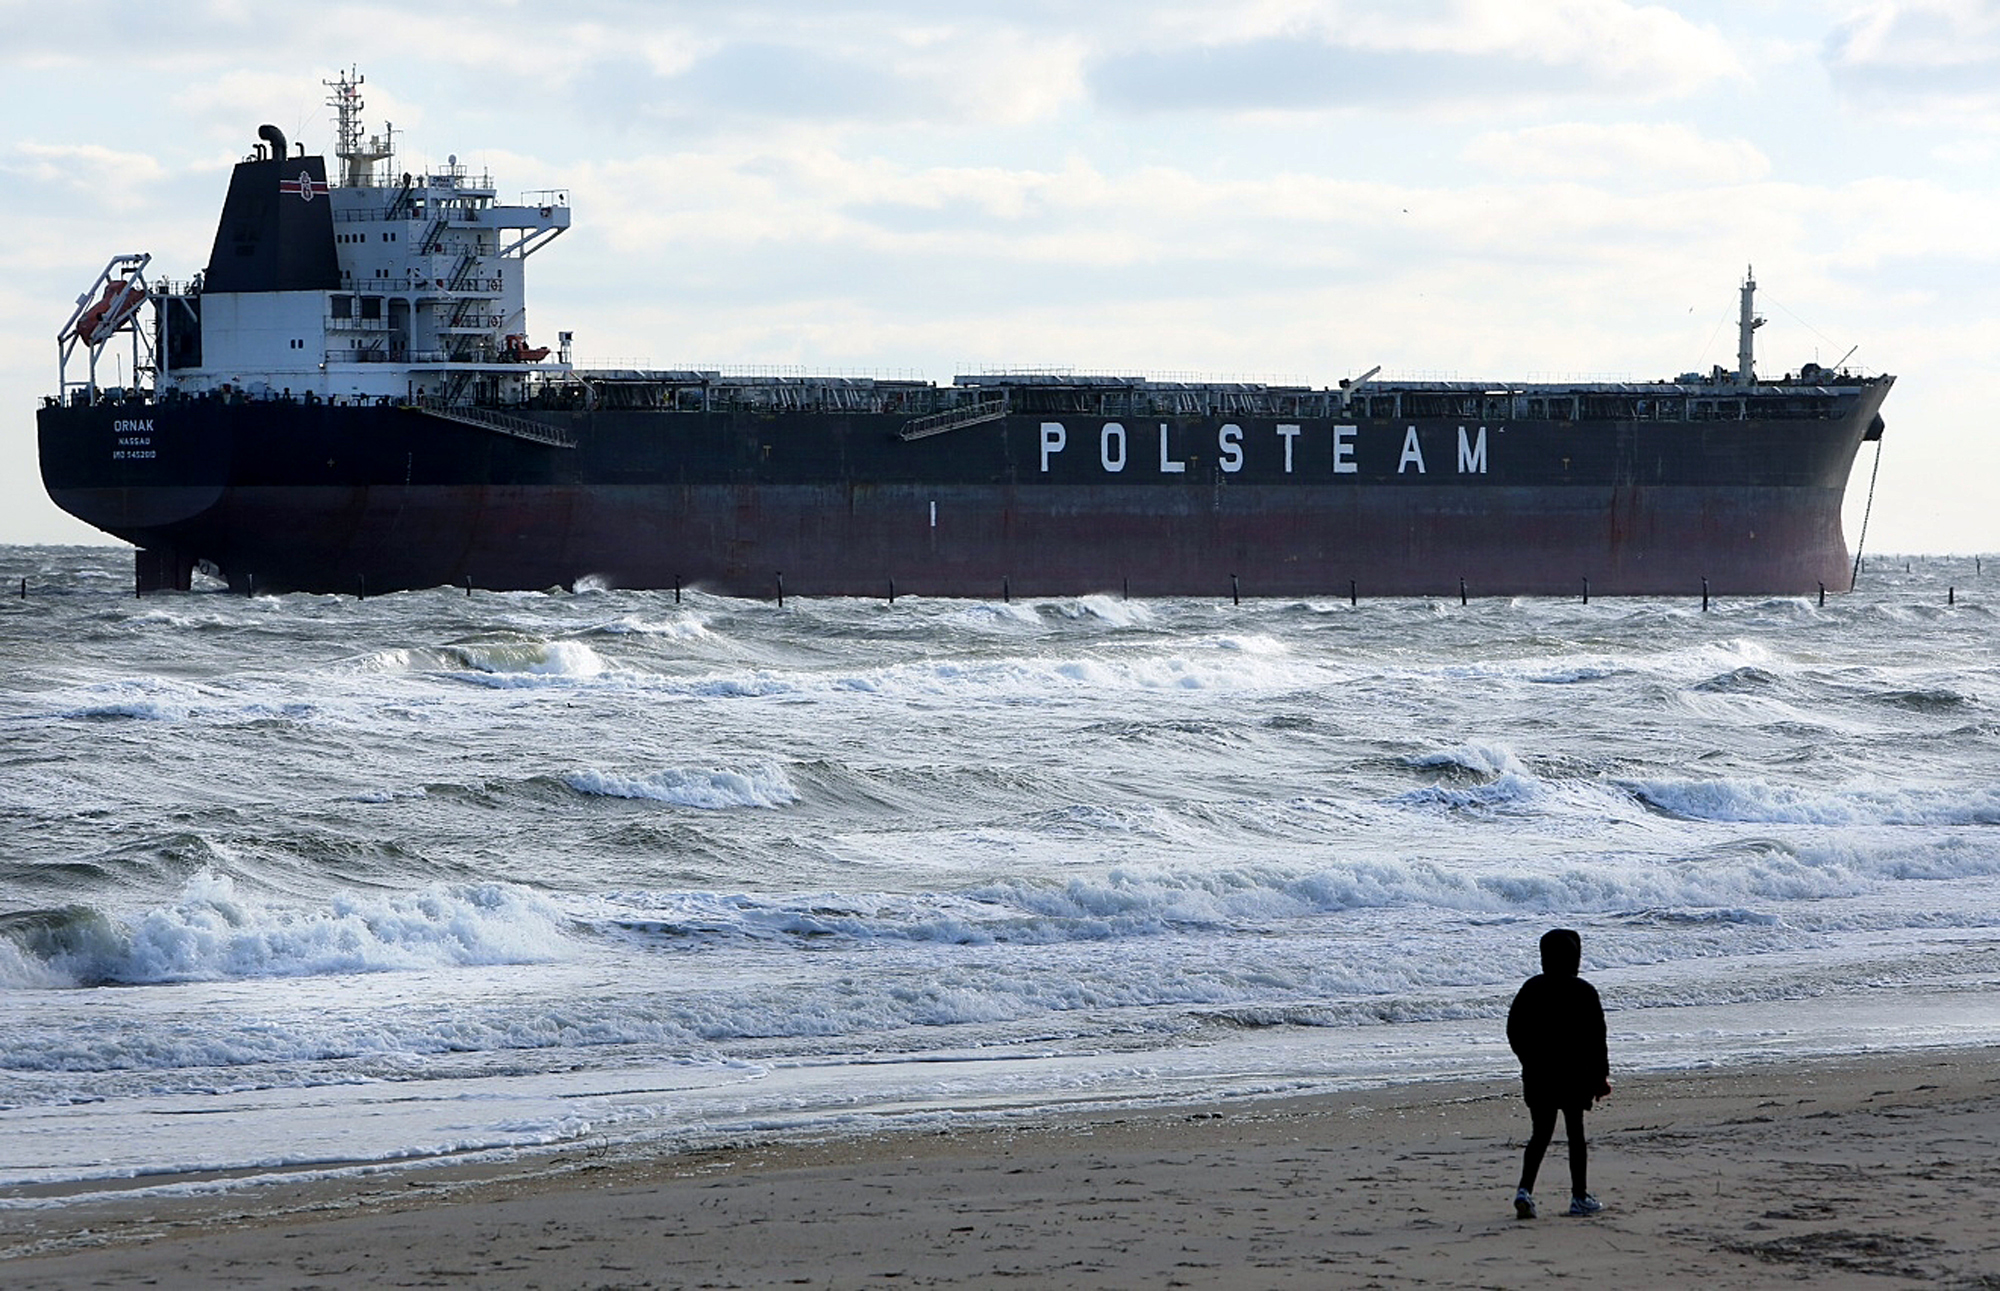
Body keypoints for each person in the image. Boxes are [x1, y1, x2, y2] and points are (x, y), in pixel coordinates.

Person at [1506, 928, 1610, 1218]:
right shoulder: (1585, 992)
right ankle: (1579, 1197)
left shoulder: (1531, 988)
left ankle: (1524, 1190)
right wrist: (1600, 1077)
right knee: (1575, 1134)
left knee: (1540, 1134)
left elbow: (1514, 1030)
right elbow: (1597, 1039)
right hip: (1575, 1074)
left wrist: (1527, 1060)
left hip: (1538, 1074)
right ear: (1575, 958)